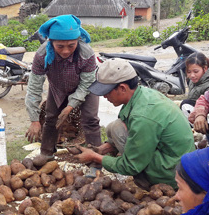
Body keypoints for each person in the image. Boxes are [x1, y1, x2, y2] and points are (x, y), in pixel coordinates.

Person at [74, 58, 194, 189]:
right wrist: (100, 150)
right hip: (176, 159)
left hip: (172, 172)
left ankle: (149, 180)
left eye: (106, 92)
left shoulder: (143, 116)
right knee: (114, 128)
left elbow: (131, 166)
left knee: (117, 131)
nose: (104, 97)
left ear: (122, 88)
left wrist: (95, 157)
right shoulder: (142, 93)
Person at [25, 14, 101, 160]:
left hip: (87, 87)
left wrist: (70, 106)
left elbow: (86, 84)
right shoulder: (42, 55)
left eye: (71, 46)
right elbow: (34, 88)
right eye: (60, 46)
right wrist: (34, 120)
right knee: (51, 117)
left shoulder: (87, 53)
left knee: (90, 119)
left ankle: (95, 158)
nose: (66, 51)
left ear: (77, 41)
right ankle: (46, 153)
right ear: (51, 42)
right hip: (58, 88)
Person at [179, 52, 209, 118]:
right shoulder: (193, 79)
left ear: (205, 68)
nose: (192, 75)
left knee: (185, 105)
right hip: (197, 108)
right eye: (189, 72)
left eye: (196, 72)